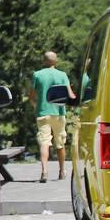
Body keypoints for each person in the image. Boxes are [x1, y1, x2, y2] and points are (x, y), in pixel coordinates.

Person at [31, 51, 76, 183]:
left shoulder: (37, 75)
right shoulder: (62, 75)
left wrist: (36, 106)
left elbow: (32, 96)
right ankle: (62, 171)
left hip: (42, 113)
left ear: (44, 61)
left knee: (44, 142)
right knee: (60, 143)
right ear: (56, 62)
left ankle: (44, 172)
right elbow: (70, 95)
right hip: (59, 113)